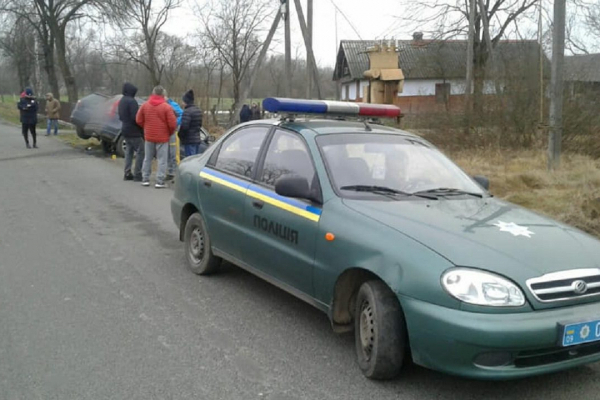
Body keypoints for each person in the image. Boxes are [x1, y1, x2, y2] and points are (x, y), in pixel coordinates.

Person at [135, 85, 177, 188]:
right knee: (162, 160)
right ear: (163, 94)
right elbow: (172, 124)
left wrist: (146, 127)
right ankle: (159, 181)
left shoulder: (145, 105)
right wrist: (169, 132)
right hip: (162, 137)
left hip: (149, 136)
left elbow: (138, 120)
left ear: (153, 93)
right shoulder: (167, 107)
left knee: (147, 158)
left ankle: (145, 179)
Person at [118, 82, 145, 181]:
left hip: (124, 129)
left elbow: (120, 116)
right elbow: (136, 118)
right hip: (134, 131)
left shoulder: (122, 101)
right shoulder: (132, 101)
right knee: (141, 151)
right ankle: (138, 173)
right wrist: (142, 127)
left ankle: (127, 172)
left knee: (129, 151)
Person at [178, 89, 204, 158]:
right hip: (197, 139)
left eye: (183, 101)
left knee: (190, 159)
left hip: (189, 140)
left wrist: (180, 135)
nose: (182, 103)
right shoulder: (198, 110)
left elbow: (184, 127)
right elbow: (200, 125)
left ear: (186, 101)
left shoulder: (187, 112)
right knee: (195, 158)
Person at [166, 93, 183, 181]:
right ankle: (170, 171)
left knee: (174, 153)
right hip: (166, 132)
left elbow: (181, 114)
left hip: (173, 132)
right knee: (168, 153)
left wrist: (175, 124)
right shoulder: (165, 105)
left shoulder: (173, 105)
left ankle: (176, 172)